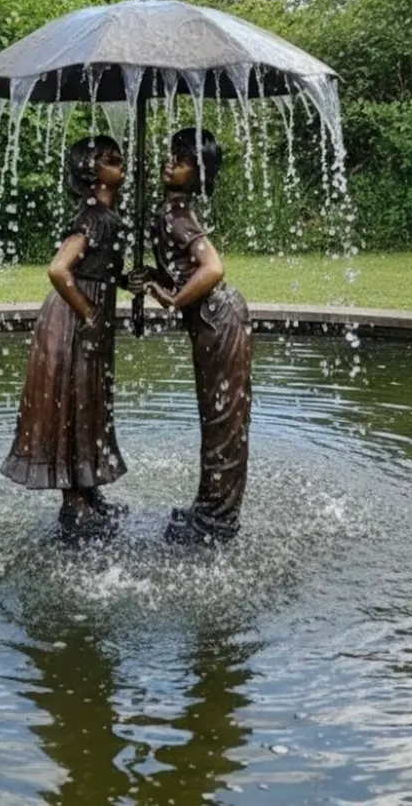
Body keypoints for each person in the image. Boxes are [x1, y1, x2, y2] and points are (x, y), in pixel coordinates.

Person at [0, 135, 129, 540]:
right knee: (75, 402)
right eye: (110, 158)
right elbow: (59, 269)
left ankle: (87, 489)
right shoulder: (94, 216)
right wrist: (89, 312)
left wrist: (128, 280)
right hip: (74, 318)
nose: (120, 161)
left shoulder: (106, 215)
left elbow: (97, 267)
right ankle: (74, 503)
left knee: (88, 401)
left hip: (85, 315)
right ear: (92, 171)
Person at [134, 128, 252, 544]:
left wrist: (169, 297)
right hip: (213, 318)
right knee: (216, 418)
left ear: (197, 173)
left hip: (217, 318)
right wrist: (153, 277)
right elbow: (181, 266)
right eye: (171, 155)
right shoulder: (172, 209)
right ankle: (209, 506)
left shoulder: (177, 215)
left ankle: (218, 519)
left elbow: (212, 269)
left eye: (182, 160)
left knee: (222, 421)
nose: (170, 163)